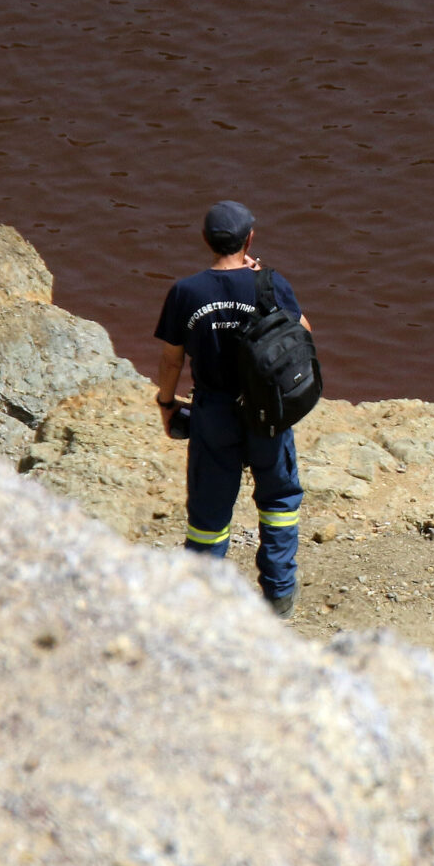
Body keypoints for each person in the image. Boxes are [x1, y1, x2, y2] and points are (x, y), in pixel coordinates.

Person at [152, 201, 312, 618]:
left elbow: (172, 360)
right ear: (250, 239)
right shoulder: (271, 285)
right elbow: (305, 337)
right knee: (278, 502)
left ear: (206, 240)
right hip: (267, 413)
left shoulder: (186, 292)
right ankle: (277, 597)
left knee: (209, 511)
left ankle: (200, 603)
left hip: (213, 414)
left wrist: (167, 404)